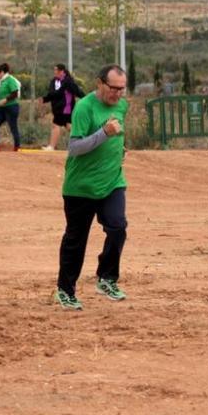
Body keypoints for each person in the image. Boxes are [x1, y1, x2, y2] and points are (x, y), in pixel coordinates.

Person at [54, 64, 129, 310]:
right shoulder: (84, 108)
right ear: (99, 84)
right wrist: (104, 134)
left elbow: (118, 135)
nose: (117, 94)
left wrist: (119, 149)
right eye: (113, 88)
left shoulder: (122, 106)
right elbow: (75, 147)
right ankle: (65, 290)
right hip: (81, 187)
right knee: (76, 240)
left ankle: (106, 278)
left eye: (122, 89)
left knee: (118, 227)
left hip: (112, 182)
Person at [41, 63, 85, 151]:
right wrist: (45, 99)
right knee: (69, 126)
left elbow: (77, 91)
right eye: (54, 70)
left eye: (56, 70)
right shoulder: (54, 81)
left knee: (55, 125)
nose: (54, 72)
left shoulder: (68, 81)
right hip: (57, 107)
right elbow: (52, 93)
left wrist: (86, 99)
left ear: (62, 71)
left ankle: (52, 146)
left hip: (65, 108)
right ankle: (84, 143)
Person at [0, 63, 22, 152]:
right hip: (1, 109)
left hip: (11, 107)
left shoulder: (10, 80)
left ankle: (17, 147)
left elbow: (15, 93)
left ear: (2, 72)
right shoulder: (0, 82)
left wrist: (5, 100)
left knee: (13, 128)